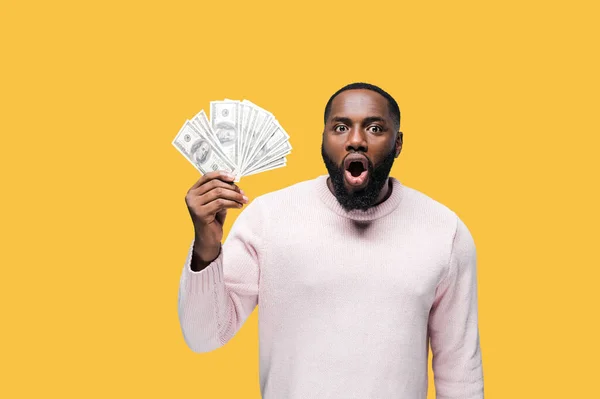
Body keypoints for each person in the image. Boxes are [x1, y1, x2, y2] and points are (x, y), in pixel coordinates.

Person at [178, 82, 484, 398]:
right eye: (340, 127)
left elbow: (460, 375)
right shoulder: (269, 218)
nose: (356, 140)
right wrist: (206, 246)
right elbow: (204, 336)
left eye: (375, 128)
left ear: (398, 143)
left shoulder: (445, 232)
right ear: (323, 140)